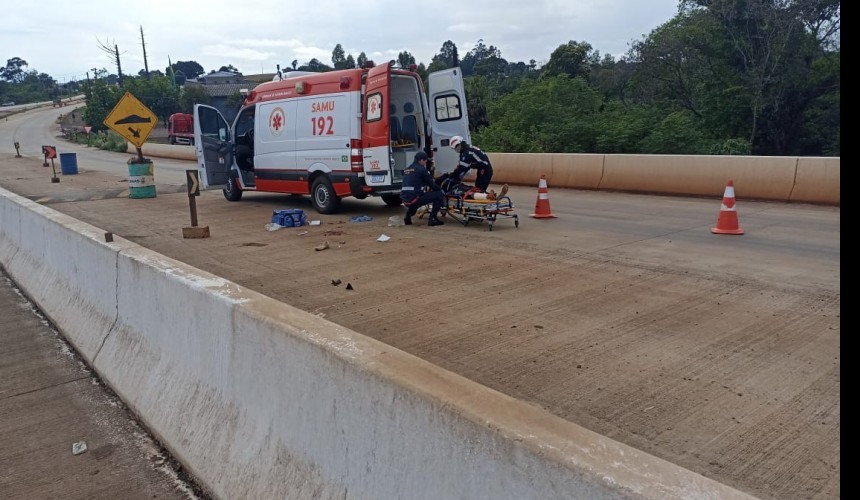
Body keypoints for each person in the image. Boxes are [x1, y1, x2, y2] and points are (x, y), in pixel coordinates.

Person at [400, 151, 445, 226]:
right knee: (438, 194)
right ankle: (433, 219)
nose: (425, 163)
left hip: (405, 200)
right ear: (421, 160)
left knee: (416, 196)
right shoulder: (421, 169)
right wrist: (440, 189)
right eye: (425, 161)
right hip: (415, 200)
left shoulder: (406, 169)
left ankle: (407, 216)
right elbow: (432, 185)